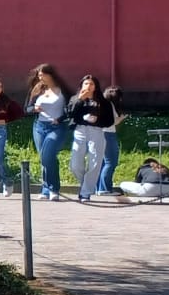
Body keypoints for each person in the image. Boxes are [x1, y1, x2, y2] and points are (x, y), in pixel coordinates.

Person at [65, 74, 115, 202]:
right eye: (86, 83)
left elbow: (109, 120)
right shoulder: (75, 98)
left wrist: (97, 120)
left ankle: (85, 192)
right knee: (75, 164)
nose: (88, 86)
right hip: (80, 130)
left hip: (96, 131)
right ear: (81, 85)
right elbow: (69, 113)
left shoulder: (103, 102)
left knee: (95, 161)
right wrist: (80, 100)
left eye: (91, 84)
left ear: (96, 87)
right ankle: (85, 185)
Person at [26, 65, 69, 200]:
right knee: (45, 158)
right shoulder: (37, 90)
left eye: (42, 75)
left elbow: (70, 109)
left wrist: (60, 119)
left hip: (56, 127)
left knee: (48, 154)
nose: (40, 78)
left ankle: (53, 188)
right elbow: (27, 108)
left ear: (50, 75)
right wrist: (34, 109)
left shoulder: (62, 90)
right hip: (39, 127)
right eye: (39, 75)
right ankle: (46, 190)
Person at [99, 86, 124, 195]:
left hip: (100, 134)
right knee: (111, 162)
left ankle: (99, 188)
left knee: (102, 163)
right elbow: (112, 121)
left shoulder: (100, 103)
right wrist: (121, 118)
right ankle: (105, 189)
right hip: (108, 134)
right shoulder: (109, 105)